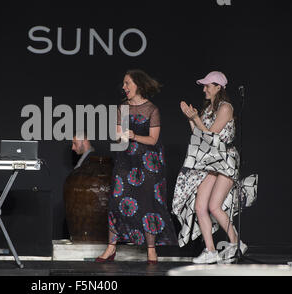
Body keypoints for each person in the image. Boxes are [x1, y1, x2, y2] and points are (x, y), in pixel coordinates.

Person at [172, 71, 257, 264]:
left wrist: (196, 119)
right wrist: (190, 118)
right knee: (200, 206)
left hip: (225, 160)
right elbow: (198, 135)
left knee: (214, 206)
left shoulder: (226, 107)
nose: (204, 89)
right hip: (211, 161)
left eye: (207, 85)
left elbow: (211, 136)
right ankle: (210, 251)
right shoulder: (208, 109)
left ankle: (237, 243)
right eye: (204, 85)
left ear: (218, 87)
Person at [95, 69, 178, 264]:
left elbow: (153, 139)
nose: (123, 87)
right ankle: (111, 248)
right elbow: (117, 135)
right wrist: (119, 134)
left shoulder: (152, 109)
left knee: (148, 205)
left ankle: (151, 250)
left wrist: (133, 136)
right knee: (116, 202)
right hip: (125, 161)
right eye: (123, 84)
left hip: (148, 163)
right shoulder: (122, 107)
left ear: (138, 85)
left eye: (127, 83)